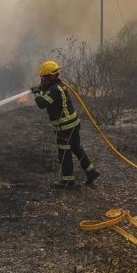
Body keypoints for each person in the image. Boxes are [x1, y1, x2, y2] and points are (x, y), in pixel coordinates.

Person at [32, 60, 99, 189]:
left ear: (51, 76)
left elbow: (41, 103)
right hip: (73, 124)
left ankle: (68, 181)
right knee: (76, 148)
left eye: (44, 78)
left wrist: (36, 93)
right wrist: (40, 88)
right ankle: (91, 172)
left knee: (64, 153)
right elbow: (47, 92)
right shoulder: (58, 86)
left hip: (65, 128)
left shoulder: (54, 90)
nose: (43, 80)